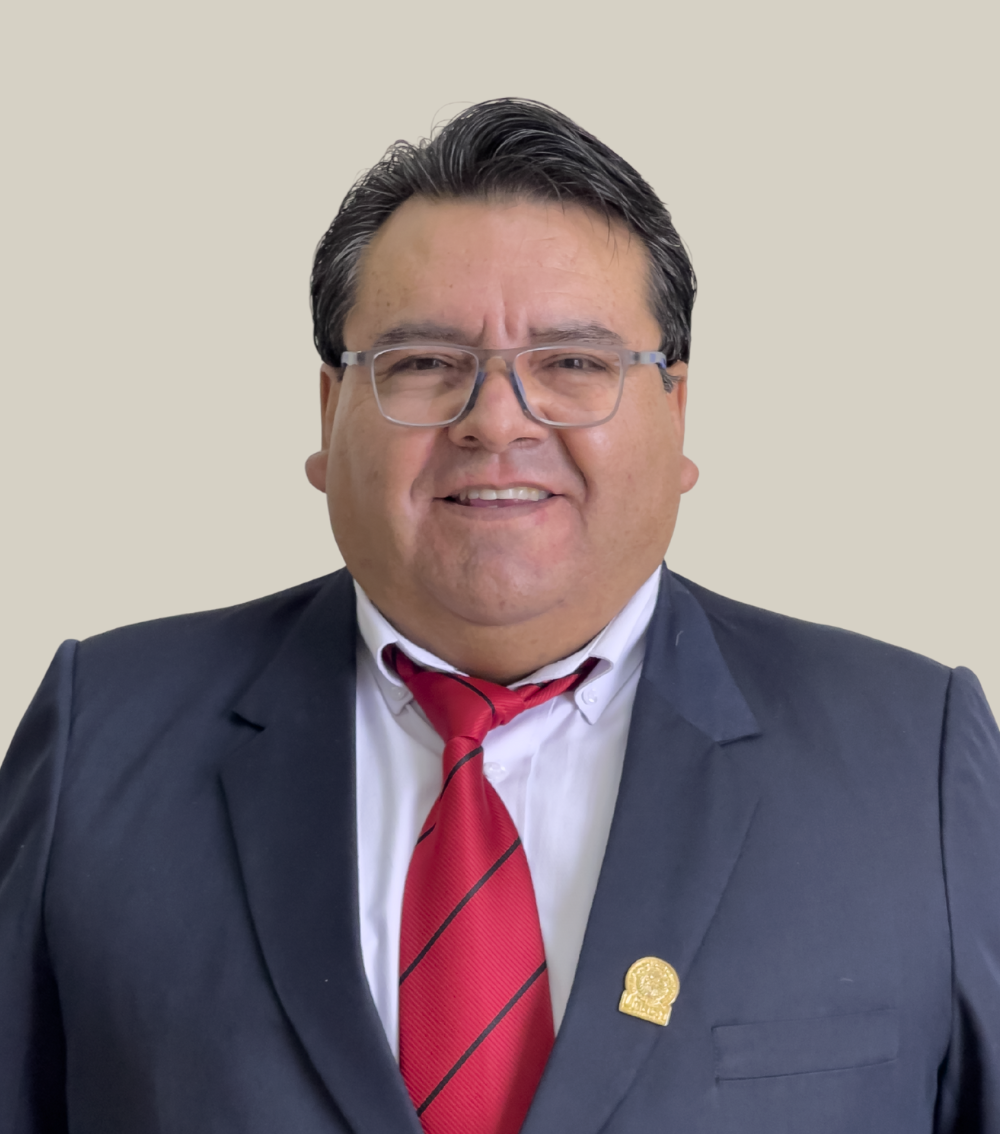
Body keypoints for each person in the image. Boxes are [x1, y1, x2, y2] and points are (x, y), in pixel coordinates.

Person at [1, 98, 998, 1134]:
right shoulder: (100, 738)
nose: (494, 420)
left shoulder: (913, 760)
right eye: (425, 363)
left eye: (573, 363)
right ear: (329, 411)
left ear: (676, 411)